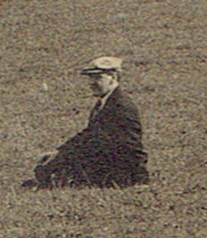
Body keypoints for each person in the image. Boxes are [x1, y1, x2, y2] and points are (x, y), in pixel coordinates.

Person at [26, 56, 149, 189]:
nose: (91, 83)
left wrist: (139, 180)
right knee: (50, 167)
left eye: (98, 78)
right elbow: (89, 133)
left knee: (59, 172)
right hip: (105, 162)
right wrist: (58, 152)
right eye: (90, 78)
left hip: (119, 171)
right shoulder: (105, 102)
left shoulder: (121, 105)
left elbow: (131, 146)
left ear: (113, 77)